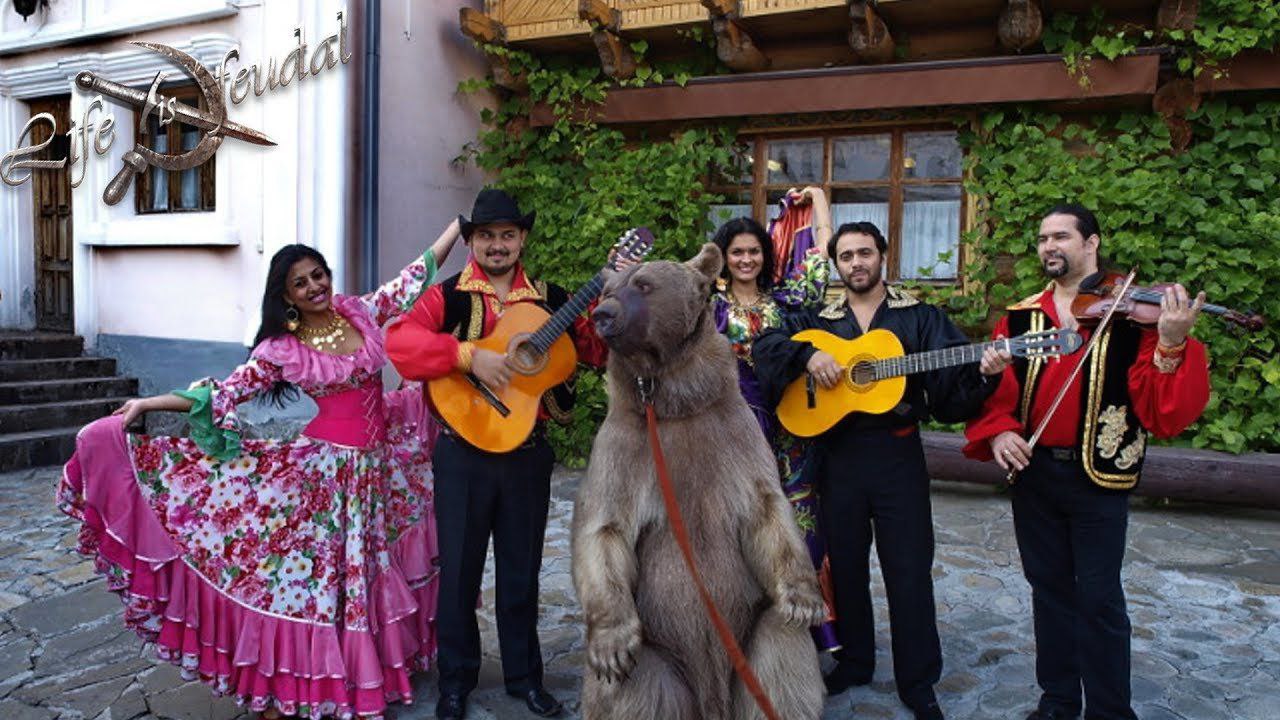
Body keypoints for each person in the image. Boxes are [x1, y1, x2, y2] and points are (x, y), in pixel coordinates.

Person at [56, 222, 463, 719]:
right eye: (301, 282)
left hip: (374, 475)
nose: (315, 286)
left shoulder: (359, 312)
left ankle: (362, 671)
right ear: (286, 295)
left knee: (363, 578)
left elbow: (413, 277)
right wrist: (147, 403)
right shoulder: (282, 349)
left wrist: (457, 229)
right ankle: (302, 685)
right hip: (324, 481)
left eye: (318, 274)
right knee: (317, 585)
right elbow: (222, 393)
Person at [964, 203, 1210, 720]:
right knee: (1048, 593)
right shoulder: (1022, 314)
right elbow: (997, 396)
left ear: (1091, 243)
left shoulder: (1131, 313)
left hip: (1099, 474)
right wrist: (1000, 431)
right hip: (1034, 475)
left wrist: (1170, 342)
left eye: (1061, 237)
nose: (1049, 246)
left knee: (1098, 599)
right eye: (1042, 239)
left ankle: (1109, 711)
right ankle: (1057, 702)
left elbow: (1161, 411)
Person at [385, 188, 619, 720]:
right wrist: (466, 356)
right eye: (487, 235)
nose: (497, 245)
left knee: (522, 575)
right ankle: (455, 682)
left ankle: (524, 678)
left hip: (527, 455)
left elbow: (596, 351)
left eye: (507, 235)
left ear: (523, 239)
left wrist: (614, 295)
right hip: (462, 454)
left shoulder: (554, 298)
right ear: (471, 240)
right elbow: (399, 341)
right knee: (460, 576)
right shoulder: (446, 297)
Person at [752, 221, 1001, 720]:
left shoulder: (921, 318)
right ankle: (857, 661)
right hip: (838, 458)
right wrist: (809, 353)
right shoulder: (816, 315)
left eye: (864, 253)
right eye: (846, 256)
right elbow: (765, 348)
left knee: (908, 571)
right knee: (844, 569)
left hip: (897, 455)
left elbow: (951, 395)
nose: (856, 263)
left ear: (883, 255)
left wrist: (984, 375)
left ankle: (918, 680)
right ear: (837, 264)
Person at [709, 187, 838, 652]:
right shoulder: (708, 309)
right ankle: (745, 632)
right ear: (723, 258)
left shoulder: (786, 301)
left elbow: (822, 256)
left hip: (791, 430)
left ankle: (806, 631)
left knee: (803, 525)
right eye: (737, 252)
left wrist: (820, 199)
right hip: (732, 433)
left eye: (754, 251)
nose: (747, 259)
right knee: (739, 529)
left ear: (765, 255)